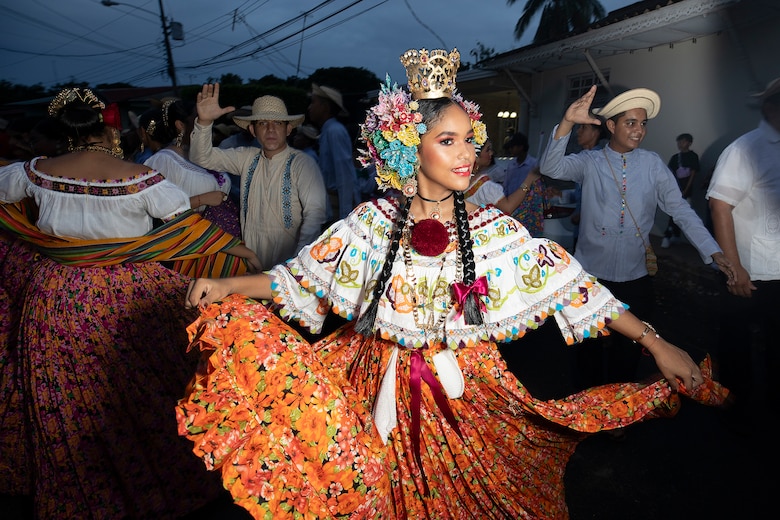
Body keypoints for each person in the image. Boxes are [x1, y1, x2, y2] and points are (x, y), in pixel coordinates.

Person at [176, 48, 729, 519]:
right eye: (448, 140)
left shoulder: (493, 231)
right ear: (407, 148)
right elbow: (299, 278)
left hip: (465, 394)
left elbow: (572, 288)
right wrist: (230, 288)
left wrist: (653, 341)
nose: (467, 153)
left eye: (470, 138)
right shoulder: (371, 225)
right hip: (370, 384)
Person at [0, 87, 260, 518]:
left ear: (64, 131)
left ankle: (82, 498)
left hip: (56, 298)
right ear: (108, 129)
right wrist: (238, 253)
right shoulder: (139, 177)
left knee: (68, 398)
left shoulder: (32, 172)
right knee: (149, 391)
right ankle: (162, 485)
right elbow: (183, 225)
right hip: (130, 297)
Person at [539, 86, 736, 394]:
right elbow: (551, 167)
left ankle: (619, 415)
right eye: (630, 122)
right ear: (611, 126)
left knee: (628, 352)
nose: (639, 130)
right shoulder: (590, 162)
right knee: (587, 351)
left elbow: (679, 209)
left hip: (635, 278)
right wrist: (566, 122)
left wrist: (712, 250)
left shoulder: (652, 164)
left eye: (643, 123)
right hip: (591, 280)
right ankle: (588, 414)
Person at [706, 76, 780, 428]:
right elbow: (720, 206)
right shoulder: (745, 149)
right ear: (770, 107)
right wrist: (733, 268)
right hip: (752, 272)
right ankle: (737, 414)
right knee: (737, 346)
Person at [189, 90, 328, 271]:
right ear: (253, 130)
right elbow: (202, 158)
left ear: (288, 129)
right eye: (263, 123)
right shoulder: (247, 158)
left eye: (277, 123)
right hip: (251, 263)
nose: (270, 129)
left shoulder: (302, 164)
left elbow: (315, 216)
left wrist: (296, 266)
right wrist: (205, 123)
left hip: (289, 267)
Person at [144, 98, 241, 238]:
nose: (207, 124)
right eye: (200, 119)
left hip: (223, 239)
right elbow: (158, 213)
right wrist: (201, 200)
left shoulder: (209, 154)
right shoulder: (163, 161)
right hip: (190, 243)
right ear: (180, 125)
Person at [308, 83, 360, 223]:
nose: (310, 108)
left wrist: (345, 215)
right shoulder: (328, 130)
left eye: (313, 102)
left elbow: (344, 173)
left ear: (325, 106)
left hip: (337, 203)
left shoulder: (334, 131)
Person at [465, 138, 542, 215]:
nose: (491, 153)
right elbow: (508, 208)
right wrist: (529, 179)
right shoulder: (485, 186)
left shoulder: (461, 181)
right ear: (476, 156)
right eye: (487, 150)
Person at [569, 123, 608, 252]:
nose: (578, 132)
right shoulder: (582, 157)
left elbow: (606, 195)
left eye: (584, 128)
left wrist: (583, 213)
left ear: (595, 133)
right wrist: (562, 194)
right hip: (580, 231)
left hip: (595, 232)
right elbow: (582, 192)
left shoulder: (601, 161)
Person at [501, 131, 544, 235]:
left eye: (513, 147)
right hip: (510, 204)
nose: (511, 150)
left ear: (521, 147)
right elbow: (506, 184)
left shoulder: (533, 165)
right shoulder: (511, 164)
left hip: (527, 208)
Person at [662, 132, 700, 248]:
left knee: (681, 214)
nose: (680, 144)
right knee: (674, 213)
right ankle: (671, 236)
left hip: (686, 191)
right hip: (675, 190)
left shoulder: (693, 157)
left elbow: (693, 174)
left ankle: (671, 236)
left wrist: (686, 190)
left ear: (689, 143)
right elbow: (670, 174)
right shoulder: (675, 158)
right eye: (679, 142)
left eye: (683, 141)